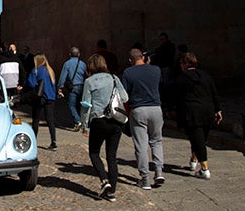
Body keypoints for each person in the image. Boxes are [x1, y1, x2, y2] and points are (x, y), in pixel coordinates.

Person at [80, 53, 128, 201]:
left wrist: (84, 124)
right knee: (111, 156)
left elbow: (86, 105)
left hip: (99, 120)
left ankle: (104, 180)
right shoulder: (114, 78)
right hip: (115, 121)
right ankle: (112, 190)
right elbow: (125, 97)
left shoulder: (89, 81)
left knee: (94, 153)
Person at [121, 48, 164, 189]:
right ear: (143, 57)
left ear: (130, 60)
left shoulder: (128, 72)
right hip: (156, 108)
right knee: (157, 141)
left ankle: (145, 178)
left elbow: (124, 95)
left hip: (138, 109)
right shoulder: (156, 70)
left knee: (141, 145)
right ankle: (158, 172)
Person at [175, 52, 222, 178]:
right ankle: (193, 160)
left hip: (192, 112)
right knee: (200, 138)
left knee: (198, 139)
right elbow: (214, 93)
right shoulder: (206, 76)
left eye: (181, 63)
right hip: (207, 111)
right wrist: (218, 109)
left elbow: (178, 96)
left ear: (185, 64)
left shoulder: (182, 78)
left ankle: (205, 169)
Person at [21, 53, 58, 150]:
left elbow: (31, 83)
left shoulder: (36, 70)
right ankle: (53, 142)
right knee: (50, 120)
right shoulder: (50, 71)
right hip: (50, 97)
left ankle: (33, 140)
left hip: (40, 97)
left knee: (36, 119)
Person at [57, 47, 88, 131]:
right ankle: (80, 121)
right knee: (79, 104)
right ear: (79, 54)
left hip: (72, 87)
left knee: (71, 105)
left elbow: (63, 76)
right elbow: (86, 76)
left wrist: (60, 87)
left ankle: (77, 121)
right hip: (82, 86)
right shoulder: (83, 64)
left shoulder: (67, 64)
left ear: (70, 54)